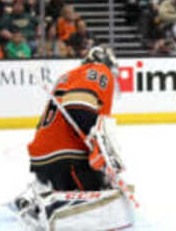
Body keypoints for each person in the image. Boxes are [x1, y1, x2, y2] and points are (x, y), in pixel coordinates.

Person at [18, 46, 136, 230]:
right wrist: (95, 143)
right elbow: (78, 106)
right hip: (66, 157)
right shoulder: (98, 71)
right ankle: (45, 209)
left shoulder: (71, 74)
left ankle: (41, 204)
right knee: (96, 211)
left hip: (48, 155)